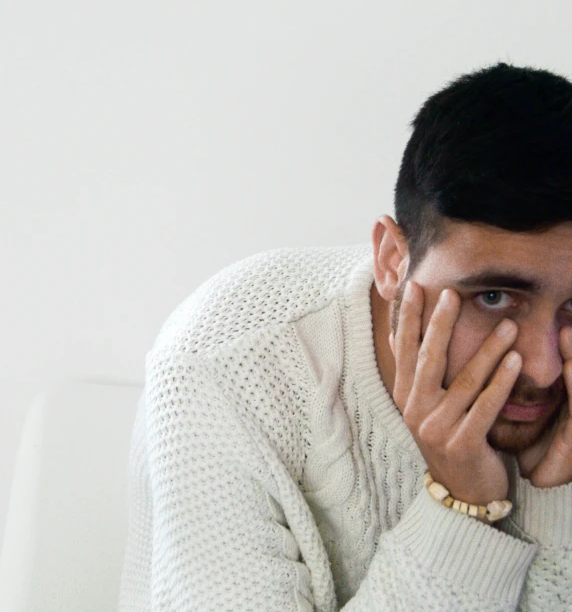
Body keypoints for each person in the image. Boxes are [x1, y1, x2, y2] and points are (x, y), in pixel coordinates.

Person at [118, 62, 572, 611]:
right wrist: (461, 509)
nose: (543, 368)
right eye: (492, 297)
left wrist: (553, 505)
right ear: (391, 259)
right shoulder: (222, 368)